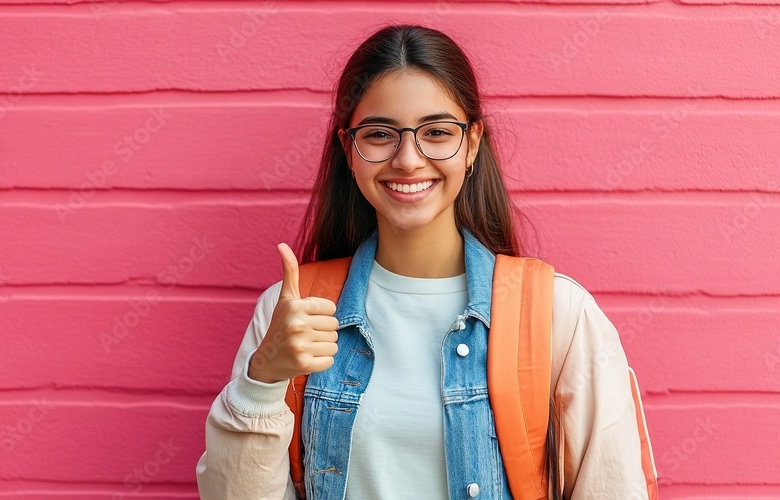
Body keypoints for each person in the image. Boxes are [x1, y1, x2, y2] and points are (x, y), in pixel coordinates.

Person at [196, 24, 656, 500]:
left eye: (437, 132)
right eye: (379, 134)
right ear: (347, 150)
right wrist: (263, 381)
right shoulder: (293, 312)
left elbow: (613, 485)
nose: (409, 159)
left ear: (473, 143)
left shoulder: (559, 312)